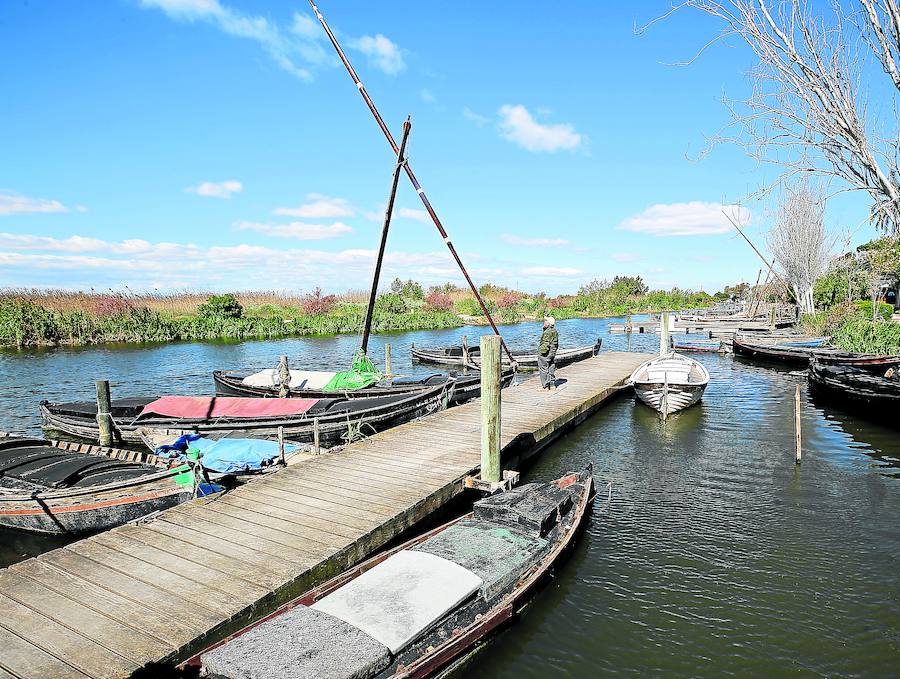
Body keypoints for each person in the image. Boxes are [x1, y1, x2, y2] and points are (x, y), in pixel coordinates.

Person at [538, 316, 558, 389]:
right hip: (552, 353)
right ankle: (552, 384)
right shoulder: (554, 331)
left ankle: (545, 386)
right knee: (551, 366)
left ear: (549, 323)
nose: (544, 322)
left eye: (545, 321)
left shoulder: (547, 332)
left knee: (543, 368)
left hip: (546, 353)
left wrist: (541, 353)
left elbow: (545, 344)